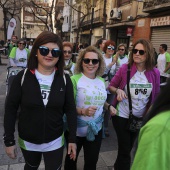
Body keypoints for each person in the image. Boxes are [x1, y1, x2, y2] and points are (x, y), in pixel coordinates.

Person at [3, 31, 77, 170]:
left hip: (55, 140)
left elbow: (71, 110)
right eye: (44, 50)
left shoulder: (65, 79)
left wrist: (72, 139)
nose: (49, 55)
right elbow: (11, 109)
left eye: (55, 52)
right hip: (28, 140)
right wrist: (9, 141)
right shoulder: (22, 77)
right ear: (36, 51)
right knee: (31, 167)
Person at [108, 39, 160, 170]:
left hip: (140, 118)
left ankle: (116, 167)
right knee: (125, 149)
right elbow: (111, 86)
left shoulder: (155, 73)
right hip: (121, 115)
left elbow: (156, 95)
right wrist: (118, 90)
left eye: (141, 51)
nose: (137, 54)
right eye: (135, 51)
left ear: (147, 54)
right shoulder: (126, 68)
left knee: (129, 147)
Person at [64, 46, 117, 170]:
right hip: (75, 131)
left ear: (99, 63)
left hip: (95, 130)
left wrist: (109, 107)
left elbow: (100, 100)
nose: (90, 64)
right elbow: (67, 107)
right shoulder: (74, 80)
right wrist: (83, 111)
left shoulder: (101, 81)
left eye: (95, 61)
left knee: (91, 163)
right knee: (71, 163)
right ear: (81, 62)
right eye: (87, 60)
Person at [131, 77, 170, 170]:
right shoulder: (160, 128)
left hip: (143, 117)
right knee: (124, 150)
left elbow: (155, 92)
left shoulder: (154, 72)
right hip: (125, 116)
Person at [102, 40, 118, 137]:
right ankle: (99, 126)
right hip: (103, 86)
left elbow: (117, 73)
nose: (111, 50)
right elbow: (102, 72)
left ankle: (105, 127)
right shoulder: (102, 58)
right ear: (105, 48)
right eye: (109, 47)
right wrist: (111, 64)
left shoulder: (116, 59)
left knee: (109, 108)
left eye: (113, 48)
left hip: (111, 87)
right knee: (102, 107)